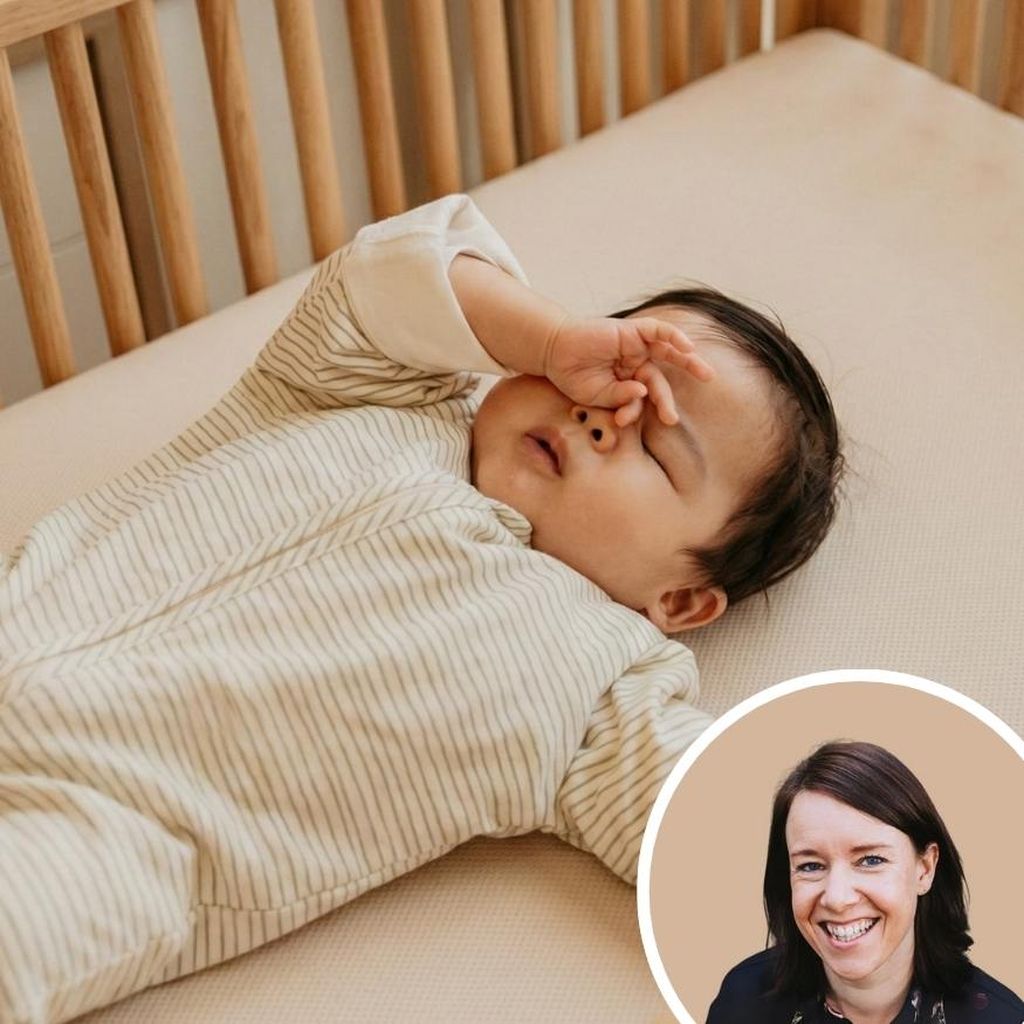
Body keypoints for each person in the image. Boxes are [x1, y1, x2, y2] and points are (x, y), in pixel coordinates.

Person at [0, 195, 841, 1023]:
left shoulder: (602, 687)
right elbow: (385, 276)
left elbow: (720, 821)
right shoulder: (375, 392)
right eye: (613, 373)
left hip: (110, 833)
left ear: (684, 598)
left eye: (656, 448)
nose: (599, 417)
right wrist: (546, 336)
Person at [707, 741, 1024, 1024]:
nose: (837, 898)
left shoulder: (1001, 1018)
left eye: (871, 860)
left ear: (924, 869)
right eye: (811, 865)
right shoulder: (742, 1001)